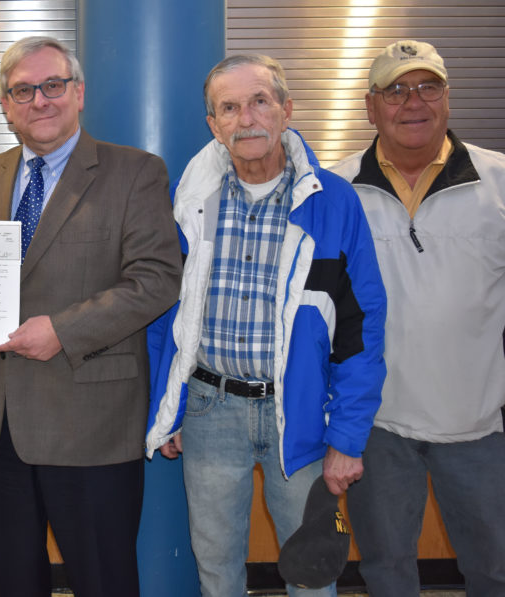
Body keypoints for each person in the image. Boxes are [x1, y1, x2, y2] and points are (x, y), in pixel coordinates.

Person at [0, 36, 181, 597]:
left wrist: (62, 330)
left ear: (78, 93)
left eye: (53, 86)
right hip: (0, 420)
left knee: (103, 579)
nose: (40, 100)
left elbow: (156, 280)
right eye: (23, 91)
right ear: (6, 105)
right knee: (15, 578)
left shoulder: (135, 172)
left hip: (91, 422)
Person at [143, 54, 387, 597]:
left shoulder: (333, 201)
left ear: (286, 110)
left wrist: (347, 436)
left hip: (301, 416)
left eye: (259, 101)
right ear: (213, 124)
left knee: (313, 570)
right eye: (228, 107)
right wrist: (170, 404)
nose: (246, 118)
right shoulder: (190, 200)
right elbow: (165, 314)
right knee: (216, 570)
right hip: (209, 412)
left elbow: (361, 328)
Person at [329, 40, 505, 596]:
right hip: (376, 426)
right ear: (371, 105)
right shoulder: (334, 190)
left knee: (495, 569)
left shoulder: (499, 182)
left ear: (448, 99)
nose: (413, 102)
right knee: (386, 571)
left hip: (479, 425)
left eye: (428, 86)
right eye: (396, 90)